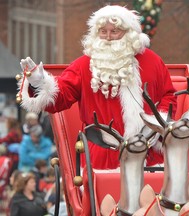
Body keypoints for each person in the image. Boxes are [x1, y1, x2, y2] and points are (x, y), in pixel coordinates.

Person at [18, 5, 177, 170]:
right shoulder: (83, 66)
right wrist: (40, 83)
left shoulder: (153, 62)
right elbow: (60, 97)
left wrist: (157, 123)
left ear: (129, 33)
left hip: (149, 154)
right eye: (103, 31)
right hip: (104, 159)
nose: (108, 37)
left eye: (114, 31)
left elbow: (169, 96)